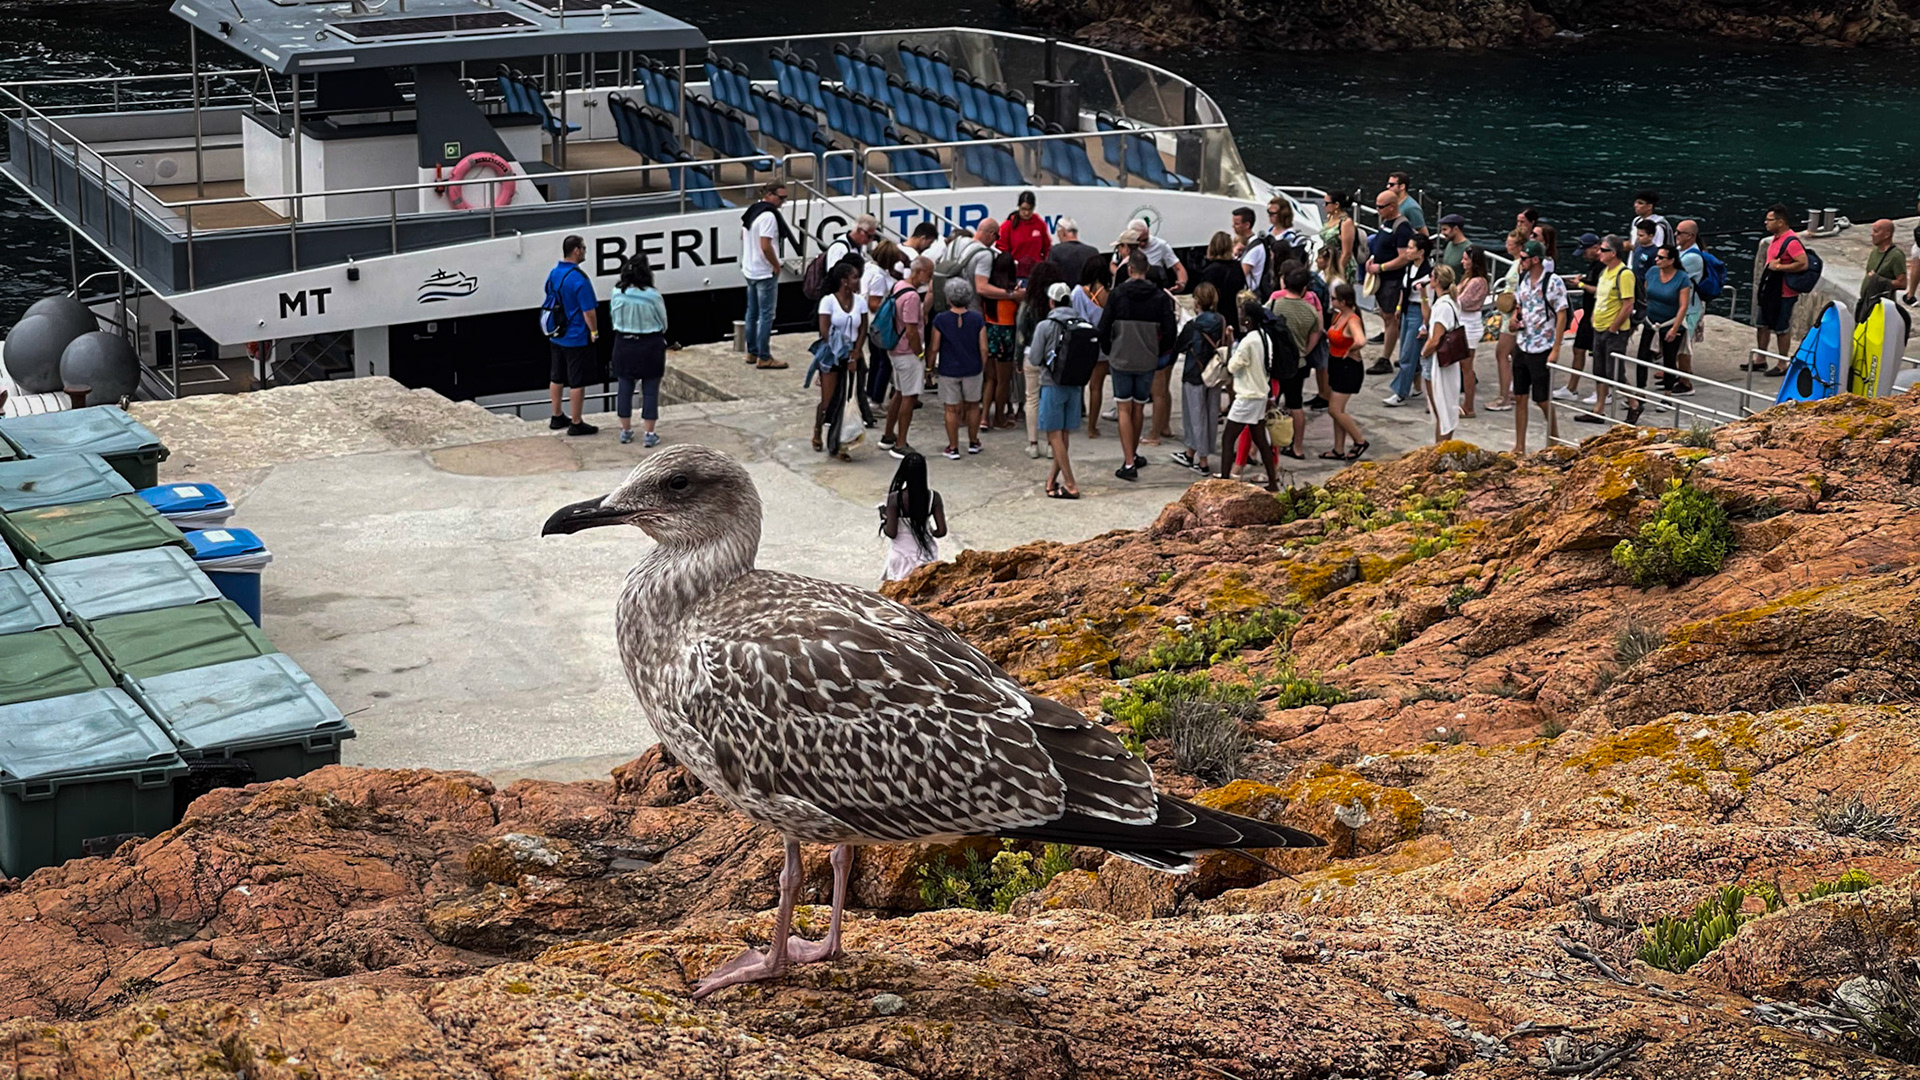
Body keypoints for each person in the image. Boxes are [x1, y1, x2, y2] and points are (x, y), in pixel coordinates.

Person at [1097, 252, 1176, 482]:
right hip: (1147, 358)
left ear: (1130, 269)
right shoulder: (1159, 297)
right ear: (1147, 269)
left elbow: (1104, 327)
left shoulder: (1118, 294)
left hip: (1121, 356)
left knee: (1123, 408)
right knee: (1139, 407)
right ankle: (1134, 452)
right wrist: (1159, 353)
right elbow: (1170, 331)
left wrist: (1110, 349)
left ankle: (1128, 461)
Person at [1028, 281, 1086, 497]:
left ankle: (1070, 484)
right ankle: (1052, 480)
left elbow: (1034, 358)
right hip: (1075, 384)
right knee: (1063, 434)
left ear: (1051, 302)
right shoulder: (1081, 322)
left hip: (1052, 384)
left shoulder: (1045, 325)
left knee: (1053, 434)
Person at [1509, 240, 1568, 453]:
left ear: (1535, 260)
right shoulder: (1523, 279)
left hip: (1542, 345)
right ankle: (1519, 445)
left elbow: (1561, 314)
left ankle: (1554, 439)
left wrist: (1556, 348)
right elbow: (1519, 306)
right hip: (1523, 343)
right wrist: (1514, 321)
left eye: (1524, 258)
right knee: (1520, 396)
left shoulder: (1553, 282)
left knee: (1542, 399)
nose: (1520, 261)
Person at [1220, 294, 1281, 492]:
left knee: (1228, 439)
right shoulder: (1265, 337)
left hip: (1246, 396)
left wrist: (1230, 344)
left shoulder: (1247, 342)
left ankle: (1223, 482)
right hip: (1261, 393)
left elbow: (1231, 366)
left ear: (1248, 320)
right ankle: (1272, 482)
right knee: (1262, 442)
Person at [1626, 244, 1691, 425]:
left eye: (1661, 257)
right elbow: (1646, 294)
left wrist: (1674, 328)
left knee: (1669, 359)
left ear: (1671, 260)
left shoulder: (1682, 278)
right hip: (1651, 322)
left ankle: (1667, 395)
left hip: (1670, 322)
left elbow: (1683, 306)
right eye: (1657, 257)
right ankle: (1640, 393)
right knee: (1642, 357)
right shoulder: (1652, 272)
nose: (1657, 259)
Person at [968, 218, 1024, 430]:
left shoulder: (990, 294)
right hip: (1006, 333)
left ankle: (984, 417)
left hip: (989, 330)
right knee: (1003, 379)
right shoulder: (1010, 295)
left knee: (989, 378)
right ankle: (999, 416)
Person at [543, 234, 600, 436]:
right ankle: (576, 422)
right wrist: (594, 331)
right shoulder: (579, 279)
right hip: (575, 335)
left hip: (556, 333)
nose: (585, 251)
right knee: (576, 380)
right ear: (576, 250)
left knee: (556, 375)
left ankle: (557, 416)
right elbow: (588, 311)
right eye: (583, 248)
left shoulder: (554, 273)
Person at [609, 256, 668, 447]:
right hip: (649, 344)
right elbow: (663, 322)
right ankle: (649, 434)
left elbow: (613, 317)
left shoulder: (617, 293)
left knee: (624, 388)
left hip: (624, 343)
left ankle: (625, 431)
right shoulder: (652, 295)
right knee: (650, 390)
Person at [811, 260, 867, 459]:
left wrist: (857, 351)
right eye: (854, 277)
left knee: (848, 400)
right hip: (833, 353)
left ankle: (839, 444)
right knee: (829, 402)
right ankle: (818, 427)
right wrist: (842, 352)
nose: (858, 281)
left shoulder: (860, 301)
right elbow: (825, 331)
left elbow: (863, 329)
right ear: (844, 281)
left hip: (853, 353)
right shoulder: (828, 301)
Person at [927, 278, 987, 460]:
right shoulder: (977, 319)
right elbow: (984, 347)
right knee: (973, 406)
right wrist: (982, 366)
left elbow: (934, 346)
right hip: (972, 368)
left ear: (949, 298)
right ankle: (973, 441)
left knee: (951, 409)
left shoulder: (940, 319)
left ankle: (953, 447)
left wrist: (929, 367)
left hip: (948, 370)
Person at [1174, 282, 1230, 474]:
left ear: (1196, 301)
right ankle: (1191, 453)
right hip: (1215, 372)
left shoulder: (1193, 325)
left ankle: (1202, 460)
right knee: (1210, 414)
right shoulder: (1221, 320)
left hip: (1194, 373)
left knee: (1195, 416)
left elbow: (1179, 346)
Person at [880, 256, 932, 460]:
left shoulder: (898, 286)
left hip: (895, 350)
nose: (929, 279)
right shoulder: (911, 297)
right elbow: (911, 330)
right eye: (928, 274)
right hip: (908, 353)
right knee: (909, 397)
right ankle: (900, 443)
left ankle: (888, 435)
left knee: (899, 393)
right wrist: (920, 353)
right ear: (918, 272)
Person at [1267, 267, 1320, 460]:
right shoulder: (1310, 311)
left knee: (1269, 402)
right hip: (1297, 363)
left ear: (1284, 283)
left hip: (1275, 363)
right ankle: (1298, 447)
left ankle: (1265, 445)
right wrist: (1303, 352)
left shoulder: (1274, 305)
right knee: (1295, 404)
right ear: (1304, 288)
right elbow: (1315, 335)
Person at [739, 181, 792, 370]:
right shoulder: (769, 216)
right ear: (769, 195)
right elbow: (765, 245)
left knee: (751, 313)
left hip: (749, 268)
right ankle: (764, 356)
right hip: (763, 271)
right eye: (781, 197)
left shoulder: (753, 210)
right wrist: (775, 264)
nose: (783, 202)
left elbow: (742, 235)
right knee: (766, 315)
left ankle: (752, 352)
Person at [1584, 234, 1636, 424]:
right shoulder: (1605, 271)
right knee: (1599, 370)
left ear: (1613, 253)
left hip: (1614, 331)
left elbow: (1627, 304)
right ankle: (1598, 409)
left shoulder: (1625, 274)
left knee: (1615, 372)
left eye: (1603, 250)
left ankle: (1634, 403)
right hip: (1599, 327)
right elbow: (1601, 297)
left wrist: (1613, 328)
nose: (1599, 252)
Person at [1017, 261, 1067, 459]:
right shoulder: (1057, 303)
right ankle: (1051, 443)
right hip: (1055, 356)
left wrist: (1017, 358)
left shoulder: (1028, 304)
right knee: (1051, 399)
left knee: (1031, 399)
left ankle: (1033, 443)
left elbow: (1020, 334)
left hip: (1031, 354)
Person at [1366, 190, 1417, 380]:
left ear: (1392, 206)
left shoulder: (1401, 227)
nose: (1377, 209)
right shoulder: (1386, 223)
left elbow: (1404, 257)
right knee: (1385, 315)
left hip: (1392, 279)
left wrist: (1381, 267)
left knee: (1391, 317)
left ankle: (1386, 357)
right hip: (1382, 276)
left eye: (1380, 206)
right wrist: (1373, 259)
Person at [1755, 203, 1809, 374]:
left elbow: (1803, 263)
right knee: (1762, 324)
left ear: (1780, 222)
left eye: (1769, 220)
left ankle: (1782, 363)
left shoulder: (1791, 241)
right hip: (1770, 290)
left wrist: (1779, 268)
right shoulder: (1776, 239)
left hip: (1784, 292)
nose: (1766, 223)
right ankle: (1760, 358)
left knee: (1781, 327)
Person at [880, 451, 947, 583]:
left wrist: (884, 519)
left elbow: (892, 533)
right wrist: (929, 531)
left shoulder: (895, 498)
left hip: (901, 556)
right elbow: (941, 531)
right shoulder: (933, 497)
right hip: (925, 556)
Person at [1382, 231, 1430, 408]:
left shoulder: (1428, 274)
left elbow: (1428, 302)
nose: (1407, 251)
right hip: (1407, 309)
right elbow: (1404, 289)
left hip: (1419, 312)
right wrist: (1398, 307)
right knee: (1408, 350)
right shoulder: (1410, 268)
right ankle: (1415, 385)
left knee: (1407, 355)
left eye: (1411, 248)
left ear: (1421, 252)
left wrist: (1425, 324)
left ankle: (1400, 392)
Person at [1485, 226, 1530, 414]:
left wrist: (1515, 315)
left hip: (1511, 316)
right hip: (1507, 314)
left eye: (1510, 243)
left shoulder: (1520, 265)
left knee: (1501, 354)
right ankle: (1509, 392)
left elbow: (1521, 291)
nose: (1507, 246)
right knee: (1509, 355)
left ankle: (1504, 396)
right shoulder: (1516, 263)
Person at [1556, 232, 1604, 404]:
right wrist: (1582, 279)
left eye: (1586, 251)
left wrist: (1581, 285)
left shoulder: (1603, 265)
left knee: (1601, 356)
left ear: (1596, 248)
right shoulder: (1593, 265)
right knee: (1578, 349)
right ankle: (1571, 388)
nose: (1583, 255)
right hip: (1587, 313)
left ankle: (1606, 391)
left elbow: (1601, 290)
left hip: (1597, 315)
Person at [1418, 265, 1464, 444]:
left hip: (1437, 360)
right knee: (1442, 409)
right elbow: (1429, 318)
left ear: (1436, 281)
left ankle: (1440, 447)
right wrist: (1423, 295)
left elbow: (1436, 339)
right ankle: (1441, 446)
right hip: (1447, 359)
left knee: (1440, 409)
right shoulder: (1449, 302)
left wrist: (1424, 352)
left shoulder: (1443, 306)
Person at [1324, 282, 1368, 460]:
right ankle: (1338, 449)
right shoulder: (1339, 315)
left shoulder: (1352, 320)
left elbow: (1361, 340)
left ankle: (1359, 440)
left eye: (1333, 298)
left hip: (1348, 367)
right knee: (1338, 410)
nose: (1331, 301)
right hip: (1337, 364)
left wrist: (1350, 350)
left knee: (1334, 410)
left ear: (1343, 302)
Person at [1072, 258, 1112, 438]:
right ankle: (1092, 427)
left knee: (1076, 384)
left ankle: (1073, 419)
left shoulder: (1077, 293)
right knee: (1096, 387)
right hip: (1101, 344)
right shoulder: (1108, 294)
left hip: (1081, 343)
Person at [1672, 220, 1706, 395]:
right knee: (1678, 346)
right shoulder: (1680, 252)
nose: (1676, 235)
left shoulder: (1692, 257)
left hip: (1689, 308)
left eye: (1679, 233)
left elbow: (1672, 273)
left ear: (1691, 236)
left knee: (1683, 348)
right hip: (1681, 306)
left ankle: (1685, 383)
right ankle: (1680, 375)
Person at [1455, 245, 1489, 417]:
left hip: (1470, 326)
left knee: (1466, 367)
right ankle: (1464, 403)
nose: (1463, 262)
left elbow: (1463, 302)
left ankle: (1469, 406)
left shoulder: (1478, 282)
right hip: (1463, 324)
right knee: (1462, 366)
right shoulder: (1468, 278)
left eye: (1466, 259)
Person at [999, 190, 1052, 279]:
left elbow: (1047, 247)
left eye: (1029, 209)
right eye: (1023, 209)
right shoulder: (1008, 226)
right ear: (1018, 207)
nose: (1026, 213)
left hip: (1036, 273)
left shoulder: (1040, 224)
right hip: (1015, 274)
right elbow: (1002, 249)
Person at [1129, 217, 1188, 292]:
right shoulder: (1126, 246)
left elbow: (1179, 268)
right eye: (1138, 241)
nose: (1142, 244)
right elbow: (1114, 263)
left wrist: (1181, 284)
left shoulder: (1160, 245)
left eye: (1145, 240)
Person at [1862, 218, 1909, 305]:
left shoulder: (1896, 256)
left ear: (1887, 235)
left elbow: (1902, 284)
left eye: (1876, 232)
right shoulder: (1874, 252)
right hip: (1867, 303)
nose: (1872, 235)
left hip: (1882, 306)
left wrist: (1880, 281)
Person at [1320, 192, 1360, 286]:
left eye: (1326, 203)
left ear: (1336, 205)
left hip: (1340, 263)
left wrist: (1337, 270)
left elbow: (1347, 252)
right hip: (1328, 261)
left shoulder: (1346, 222)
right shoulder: (1329, 217)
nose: (1324, 205)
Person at [1046, 217, 1099, 286]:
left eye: (1058, 234)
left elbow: (1050, 277)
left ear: (1063, 233)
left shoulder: (1055, 251)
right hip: (1089, 294)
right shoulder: (1093, 252)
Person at [1627, 190, 1672, 269]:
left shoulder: (1658, 226)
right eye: (1636, 202)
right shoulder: (1636, 221)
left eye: (1640, 203)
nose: (1635, 205)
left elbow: (1656, 251)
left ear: (1649, 206)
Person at [1199, 230, 1246, 304]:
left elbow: (1205, 296)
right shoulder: (1237, 266)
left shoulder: (1209, 270)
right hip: (1233, 308)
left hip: (1216, 310)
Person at [1233, 206, 1267, 299]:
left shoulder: (1255, 248)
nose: (1233, 227)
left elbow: (1240, 274)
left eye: (1237, 224)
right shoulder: (1244, 243)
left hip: (1248, 295)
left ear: (1247, 225)